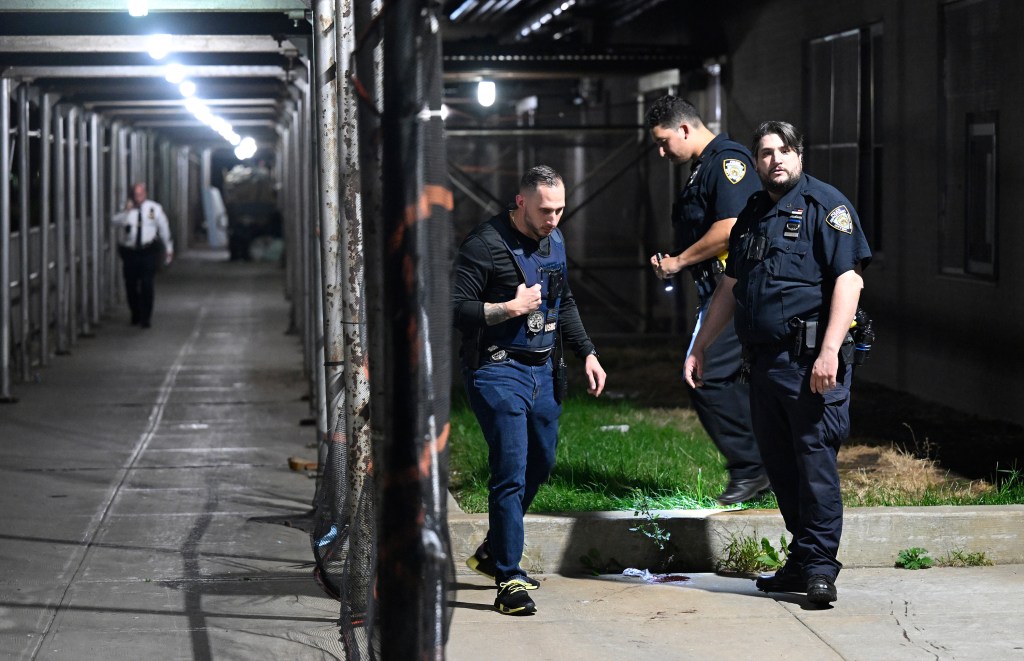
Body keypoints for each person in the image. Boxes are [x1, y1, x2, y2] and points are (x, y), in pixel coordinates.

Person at [684, 121, 871, 606]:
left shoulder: (825, 207)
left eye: (785, 150)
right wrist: (701, 345)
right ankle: (802, 558)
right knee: (781, 467)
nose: (776, 160)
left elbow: (849, 283)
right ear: (757, 161)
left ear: (799, 154)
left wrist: (829, 350)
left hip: (811, 362)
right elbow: (731, 286)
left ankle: (821, 569)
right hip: (764, 365)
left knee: (814, 464)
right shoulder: (752, 213)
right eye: (766, 153)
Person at [452, 165, 607, 616]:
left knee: (543, 460)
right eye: (545, 210)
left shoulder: (554, 239)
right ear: (520, 202)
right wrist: (507, 307)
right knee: (512, 467)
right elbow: (455, 307)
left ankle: (491, 551)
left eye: (560, 210)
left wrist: (588, 353)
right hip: (497, 370)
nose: (553, 219)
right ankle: (508, 577)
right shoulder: (484, 245)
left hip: (544, 368)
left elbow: (566, 301)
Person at [645, 95, 769, 505]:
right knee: (722, 379)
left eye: (664, 142)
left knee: (706, 376)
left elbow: (732, 227)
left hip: (737, 293)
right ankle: (765, 465)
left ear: (685, 128)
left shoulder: (727, 163)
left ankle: (752, 468)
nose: (662, 152)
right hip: (718, 292)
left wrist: (679, 261)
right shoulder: (703, 168)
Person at [111, 182, 174, 328]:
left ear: (145, 193)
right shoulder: (127, 210)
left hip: (147, 251)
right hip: (131, 252)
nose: (138, 197)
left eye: (140, 194)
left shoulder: (154, 208)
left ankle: (146, 317)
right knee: (130, 285)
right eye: (135, 194)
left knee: (147, 284)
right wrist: (126, 211)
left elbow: (163, 228)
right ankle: (135, 312)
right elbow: (113, 221)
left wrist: (169, 248)